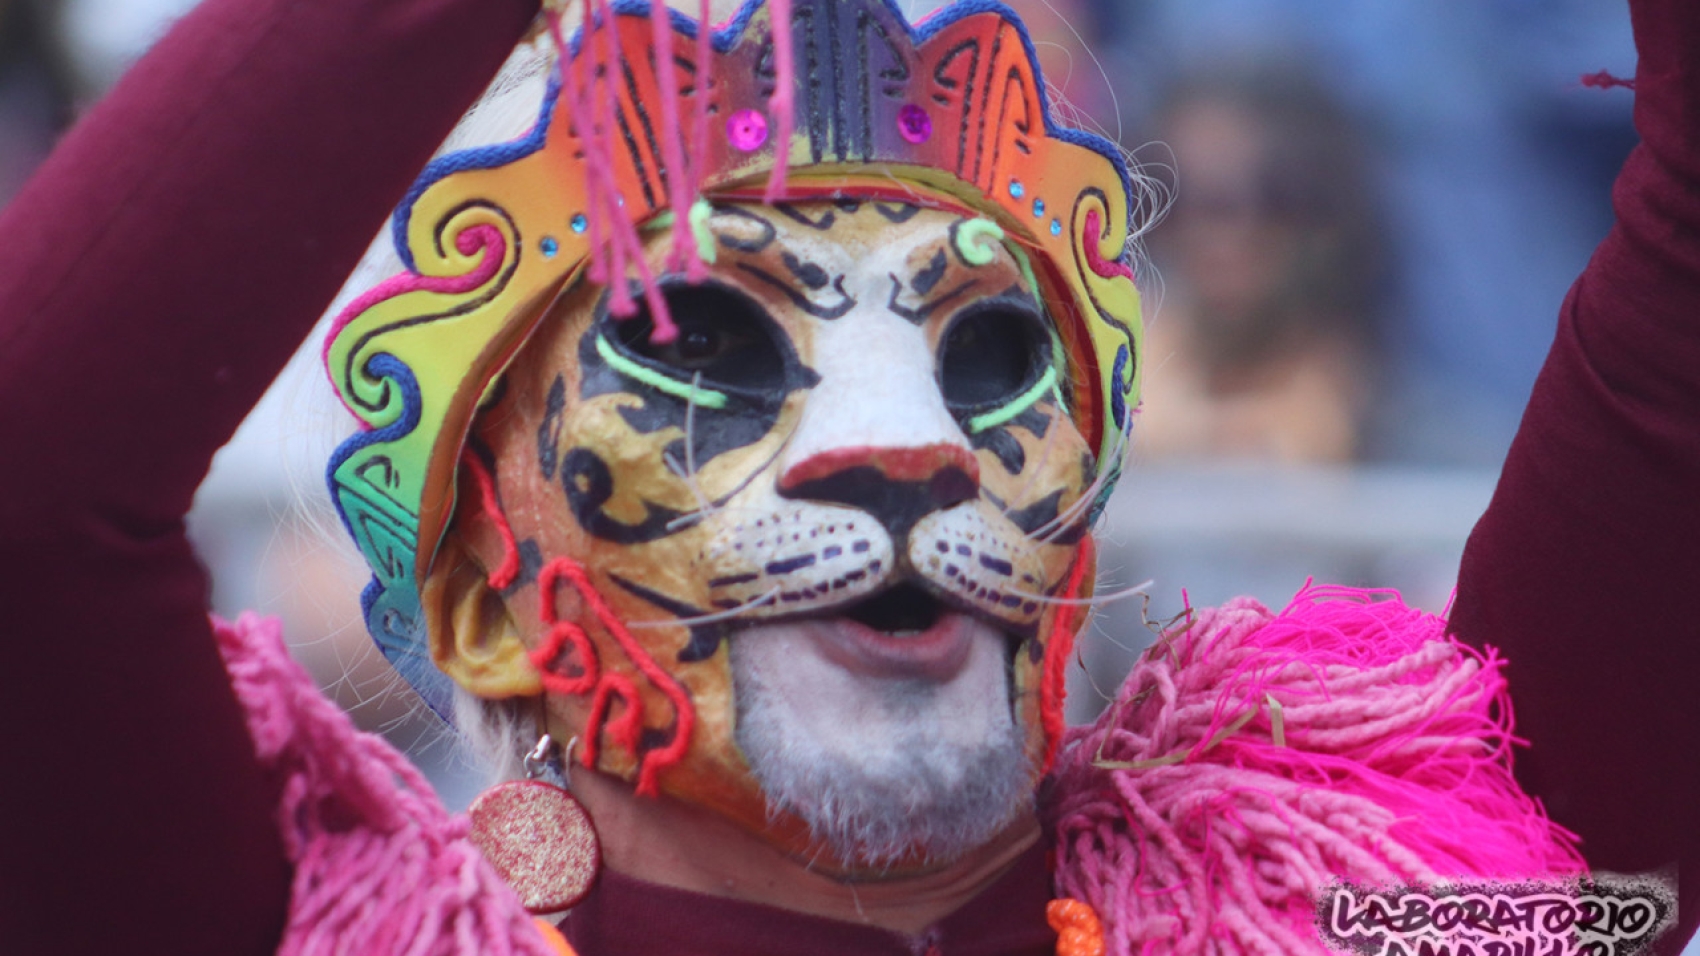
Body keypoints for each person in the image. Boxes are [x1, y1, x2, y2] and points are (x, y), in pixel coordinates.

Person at [0, 1, 1691, 955]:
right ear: (475, 580)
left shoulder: (1368, 906)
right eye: (709, 349)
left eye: (987, 359)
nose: (909, 444)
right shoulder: (287, 932)